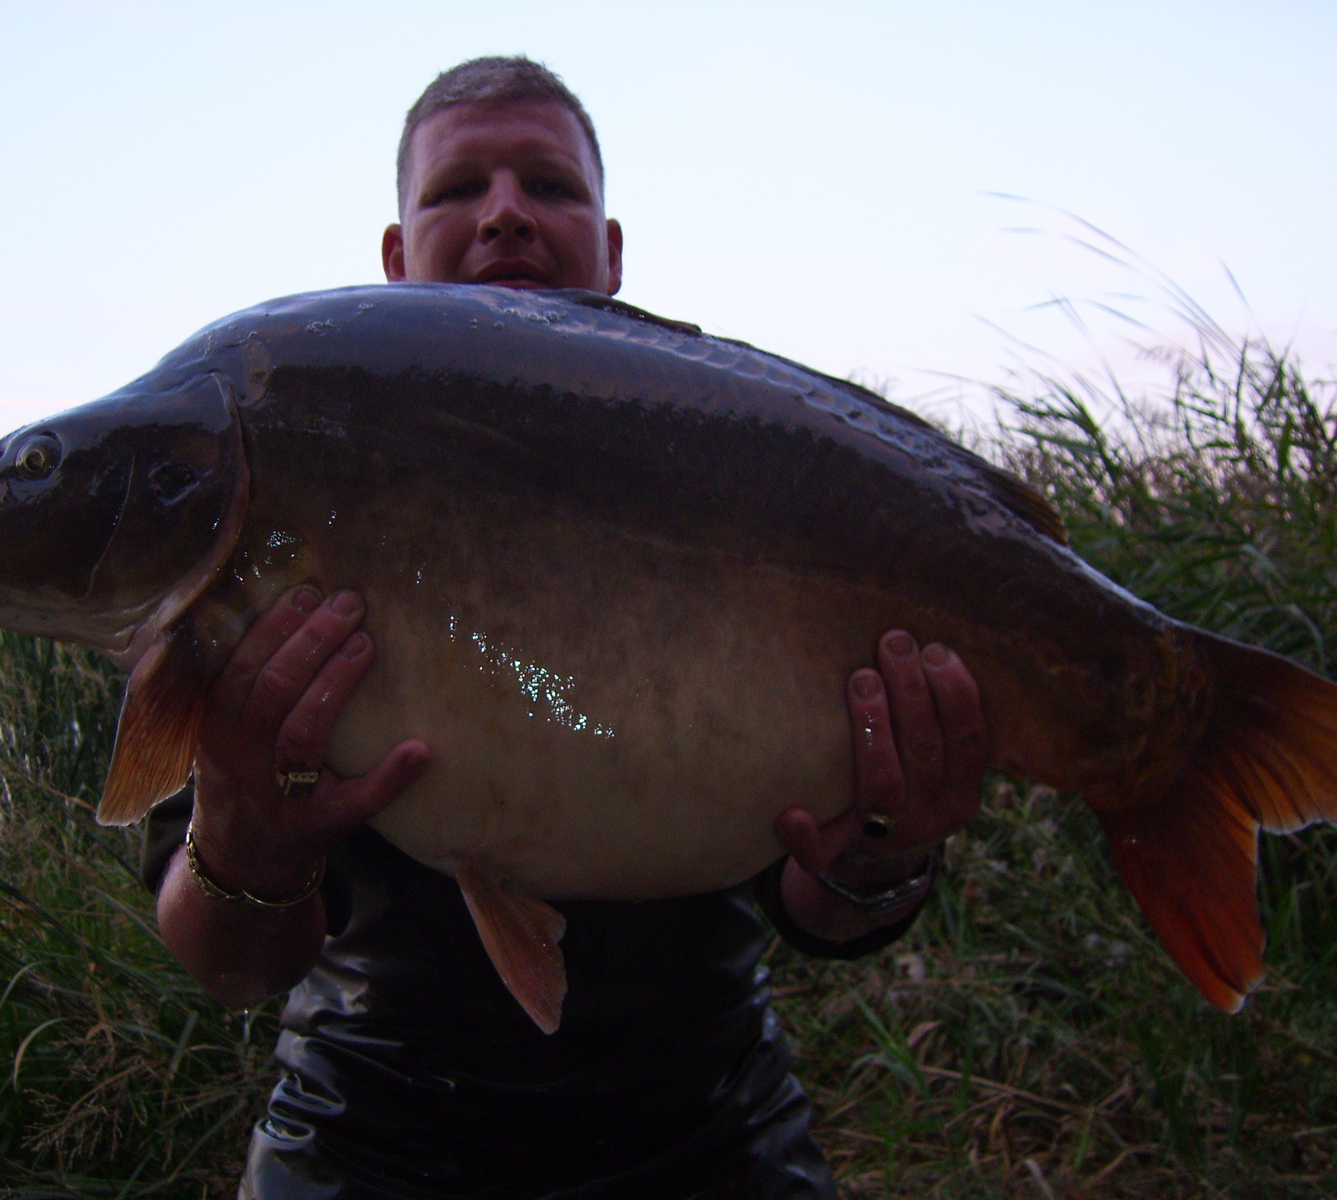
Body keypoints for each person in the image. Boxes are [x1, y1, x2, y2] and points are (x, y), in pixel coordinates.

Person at [142, 57, 985, 1199]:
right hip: (364, 1132)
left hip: (711, 1133)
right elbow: (223, 964)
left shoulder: (734, 466)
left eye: (547, 184)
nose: (503, 213)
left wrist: (883, 858)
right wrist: (243, 839)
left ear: (611, 249)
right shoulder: (287, 492)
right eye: (455, 191)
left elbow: (828, 913)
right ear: (396, 257)